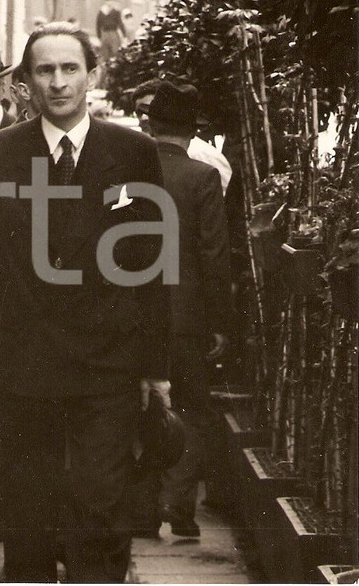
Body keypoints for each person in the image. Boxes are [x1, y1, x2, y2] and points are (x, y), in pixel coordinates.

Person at [0, 21, 170, 582]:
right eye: (45, 70)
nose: (59, 82)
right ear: (25, 82)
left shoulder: (133, 152)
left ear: (93, 75)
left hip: (107, 362)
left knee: (101, 506)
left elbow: (153, 265)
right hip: (25, 364)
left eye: (70, 68)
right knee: (27, 513)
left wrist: (157, 368)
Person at [143, 81, 231, 539]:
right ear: (191, 131)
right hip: (185, 320)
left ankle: (139, 509)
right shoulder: (202, 178)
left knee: (134, 407)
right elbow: (214, 254)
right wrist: (219, 321)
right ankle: (179, 508)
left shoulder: (126, 172)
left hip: (133, 317)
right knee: (192, 410)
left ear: (152, 124)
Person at [133, 79, 232, 195]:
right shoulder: (138, 153)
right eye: (140, 113)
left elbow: (224, 200)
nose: (144, 118)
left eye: (151, 110)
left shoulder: (203, 154)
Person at [95, 0, 126, 86]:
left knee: (115, 56)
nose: (110, 3)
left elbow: (120, 23)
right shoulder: (101, 12)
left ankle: (114, 82)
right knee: (104, 59)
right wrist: (100, 37)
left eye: (111, 1)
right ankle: (103, 83)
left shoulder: (116, 12)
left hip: (113, 34)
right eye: (108, 1)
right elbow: (98, 25)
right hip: (105, 34)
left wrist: (124, 35)